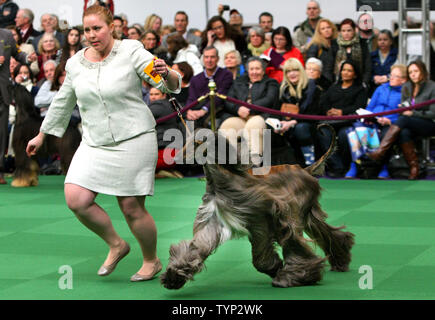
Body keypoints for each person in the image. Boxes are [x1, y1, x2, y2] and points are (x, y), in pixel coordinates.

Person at [26, 5, 182, 281]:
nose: (91, 34)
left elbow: (167, 83)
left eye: (97, 28)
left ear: (112, 27)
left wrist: (167, 72)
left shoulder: (132, 50)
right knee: (76, 198)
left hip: (134, 137)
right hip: (95, 141)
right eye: (87, 29)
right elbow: (63, 101)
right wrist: (42, 134)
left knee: (131, 206)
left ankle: (151, 260)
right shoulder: (75, 62)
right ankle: (116, 244)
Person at [368, 60, 435, 180]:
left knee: (404, 119)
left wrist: (412, 113)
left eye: (416, 71)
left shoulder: (432, 86)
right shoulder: (407, 87)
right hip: (410, 123)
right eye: (410, 72)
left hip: (428, 123)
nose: (413, 74)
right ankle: (414, 168)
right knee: (403, 133)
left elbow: (432, 113)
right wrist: (406, 111)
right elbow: (403, 107)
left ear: (423, 72)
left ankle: (380, 152)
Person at [345, 64, 407, 179]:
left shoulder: (405, 92)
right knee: (356, 131)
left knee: (386, 134)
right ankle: (355, 165)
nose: (391, 78)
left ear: (403, 80)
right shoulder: (380, 88)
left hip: (390, 122)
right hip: (373, 119)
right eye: (391, 75)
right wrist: (367, 116)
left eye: (395, 76)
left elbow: (404, 114)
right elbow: (370, 107)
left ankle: (383, 167)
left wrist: (390, 120)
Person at [220, 56, 280, 165]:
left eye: (257, 69)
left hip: (260, 115)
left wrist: (250, 108)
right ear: (248, 70)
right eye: (251, 69)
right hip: (240, 116)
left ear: (263, 70)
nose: (254, 72)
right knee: (227, 127)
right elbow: (228, 99)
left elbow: (269, 99)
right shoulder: (239, 82)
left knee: (253, 127)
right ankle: (230, 164)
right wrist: (238, 109)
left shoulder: (271, 83)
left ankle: (254, 164)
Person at [317, 60, 368, 177]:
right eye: (344, 70)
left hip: (348, 122)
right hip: (331, 121)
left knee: (345, 135)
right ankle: (337, 166)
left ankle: (347, 165)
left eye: (349, 70)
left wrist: (342, 112)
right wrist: (328, 111)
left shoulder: (360, 89)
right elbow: (324, 102)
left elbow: (359, 106)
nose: (345, 73)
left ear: (355, 74)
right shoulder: (333, 87)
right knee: (323, 133)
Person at [0, 27, 37, 184]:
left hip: (3, 93)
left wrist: (28, 58)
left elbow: (18, 54)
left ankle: (0, 172)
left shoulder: (7, 35)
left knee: (1, 134)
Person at [275, 58, 322, 166]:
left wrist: (291, 122)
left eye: (295, 70)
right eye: (288, 71)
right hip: (287, 123)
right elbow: (277, 109)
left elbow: (311, 112)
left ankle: (310, 163)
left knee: (300, 128)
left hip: (308, 123)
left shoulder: (311, 85)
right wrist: (280, 122)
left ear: (301, 71)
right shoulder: (283, 88)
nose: (292, 74)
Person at [185, 46, 233, 128]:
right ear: (203, 59)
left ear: (217, 59)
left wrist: (204, 110)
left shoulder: (226, 74)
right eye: (206, 57)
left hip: (218, 112)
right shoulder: (195, 79)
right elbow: (191, 98)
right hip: (198, 112)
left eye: (212, 57)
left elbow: (220, 96)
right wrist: (188, 111)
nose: (209, 60)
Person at [148, 87, 183, 179]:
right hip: (174, 151)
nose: (153, 97)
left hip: (166, 153)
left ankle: (163, 172)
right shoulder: (171, 104)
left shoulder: (158, 105)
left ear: (164, 95)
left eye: (156, 94)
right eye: (151, 94)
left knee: (139, 164)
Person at [335, 18, 371, 88]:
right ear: (340, 32)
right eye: (343, 31)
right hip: (339, 83)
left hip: (359, 82)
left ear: (354, 30)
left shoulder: (362, 43)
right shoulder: (335, 44)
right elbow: (329, 66)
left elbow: (368, 66)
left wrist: (365, 82)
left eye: (349, 30)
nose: (346, 33)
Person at [306, 18, 338, 84]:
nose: (326, 30)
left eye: (328, 27)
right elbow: (310, 66)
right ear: (319, 32)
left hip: (334, 80)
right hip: (321, 82)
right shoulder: (315, 46)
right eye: (323, 29)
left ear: (332, 29)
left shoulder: (336, 44)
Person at [370, 30, 398, 95]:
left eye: (385, 40)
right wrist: (373, 78)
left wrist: (388, 77)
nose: (382, 42)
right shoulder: (372, 55)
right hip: (374, 88)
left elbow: (399, 71)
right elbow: (368, 71)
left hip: (391, 87)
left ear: (391, 41)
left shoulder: (397, 54)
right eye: (379, 40)